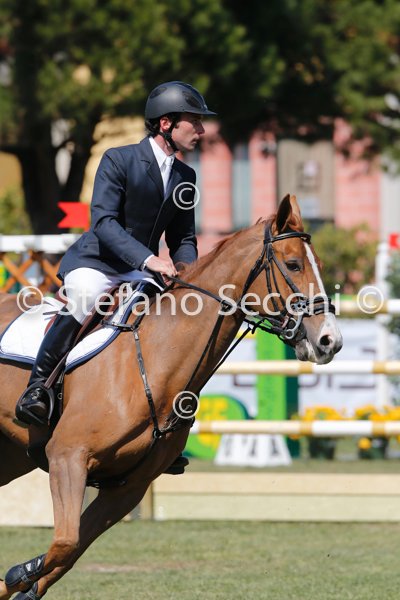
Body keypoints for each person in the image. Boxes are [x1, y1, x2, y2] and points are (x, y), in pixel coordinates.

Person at [16, 81, 216, 464]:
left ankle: (162, 428)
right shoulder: (119, 159)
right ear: (166, 124)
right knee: (84, 298)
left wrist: (188, 272)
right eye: (194, 121)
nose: (202, 130)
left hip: (140, 272)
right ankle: (38, 388)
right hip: (98, 263)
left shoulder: (185, 177)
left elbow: (183, 237)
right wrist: (149, 260)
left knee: (178, 316)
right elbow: (104, 223)